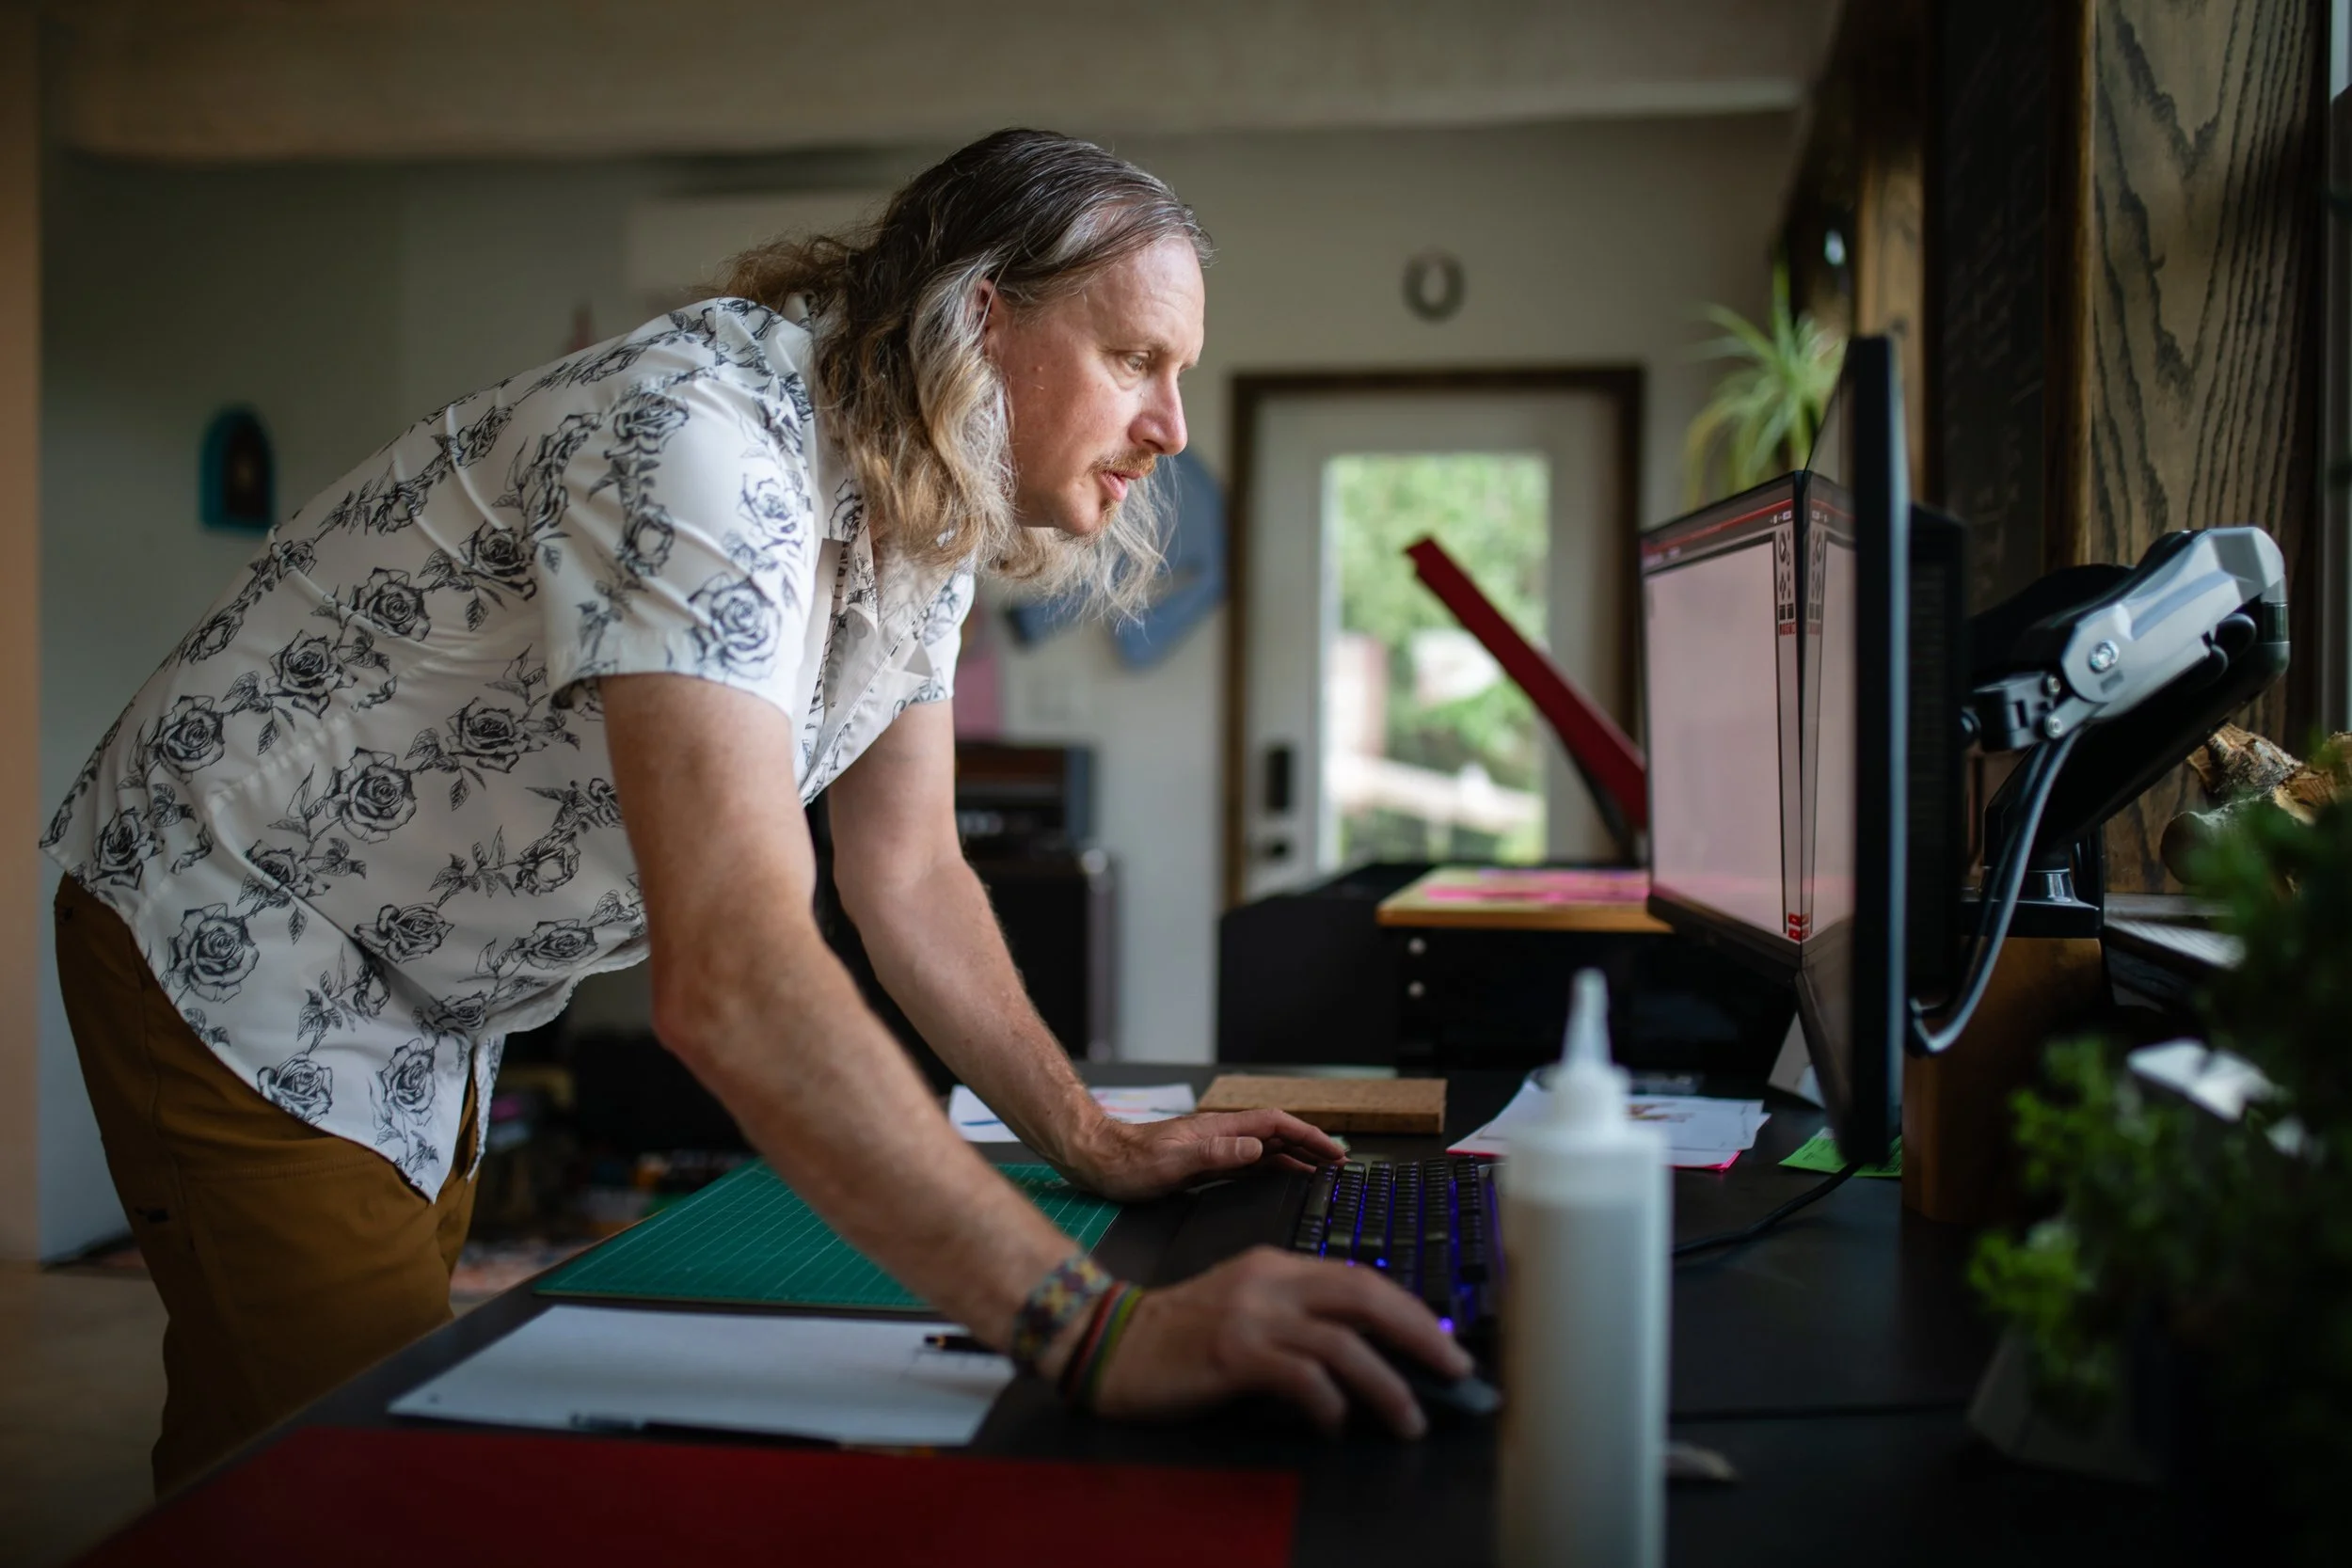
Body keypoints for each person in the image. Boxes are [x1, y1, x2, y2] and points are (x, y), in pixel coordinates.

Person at [44, 128, 1469, 1492]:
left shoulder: (926, 497)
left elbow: (905, 870)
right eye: (1134, 358)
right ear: (983, 320)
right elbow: (729, 973)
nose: (1168, 424)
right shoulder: (704, 444)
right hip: (248, 921)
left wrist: (1088, 1137)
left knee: (378, 1413)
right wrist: (1100, 1329)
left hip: (431, 983)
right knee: (329, 1476)